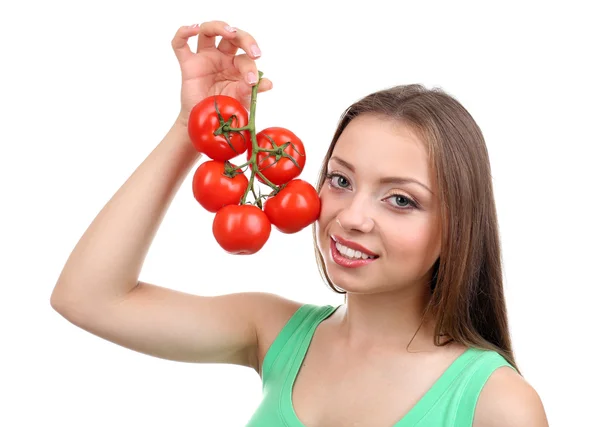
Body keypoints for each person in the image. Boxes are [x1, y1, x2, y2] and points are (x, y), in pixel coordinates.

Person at [50, 21, 549, 426]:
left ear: (459, 224)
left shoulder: (497, 404)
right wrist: (192, 127)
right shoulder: (273, 331)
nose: (352, 218)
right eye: (341, 180)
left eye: (400, 199)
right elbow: (87, 297)